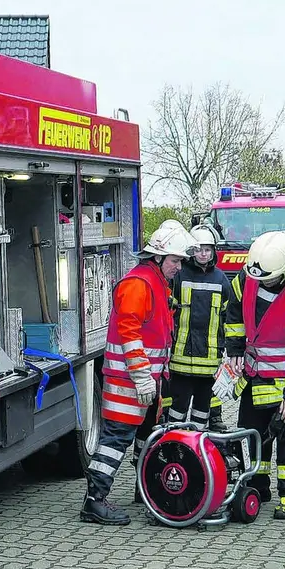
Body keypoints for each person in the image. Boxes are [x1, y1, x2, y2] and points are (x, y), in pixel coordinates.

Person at [80, 220, 198, 525]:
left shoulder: (155, 282)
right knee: (115, 441)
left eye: (181, 261)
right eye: (175, 260)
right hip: (127, 384)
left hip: (145, 384)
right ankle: (94, 502)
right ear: (157, 257)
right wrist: (143, 377)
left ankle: (146, 491)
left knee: (146, 438)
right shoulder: (138, 284)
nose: (178, 267)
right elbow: (130, 334)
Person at [218, 230, 285, 520]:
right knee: (252, 436)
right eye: (259, 277)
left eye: (270, 278)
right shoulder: (248, 277)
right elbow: (234, 312)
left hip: (283, 383)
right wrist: (235, 348)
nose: (263, 282)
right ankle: (256, 485)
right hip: (253, 378)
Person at [165, 223, 233, 430]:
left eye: (207, 250)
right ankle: (174, 446)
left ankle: (197, 452)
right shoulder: (179, 275)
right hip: (180, 359)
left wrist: (229, 349)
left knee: (203, 411)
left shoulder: (221, 279)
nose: (203, 254)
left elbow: (228, 318)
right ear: (190, 251)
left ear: (213, 252)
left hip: (210, 359)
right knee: (177, 409)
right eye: (198, 249)